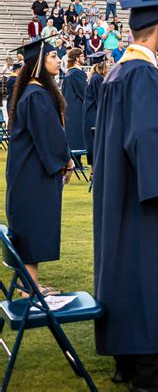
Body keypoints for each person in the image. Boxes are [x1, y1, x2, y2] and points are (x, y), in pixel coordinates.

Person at [93, 0, 158, 390]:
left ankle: (125, 362)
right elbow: (147, 135)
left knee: (123, 273)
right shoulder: (145, 74)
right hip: (144, 195)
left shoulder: (115, 72)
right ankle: (149, 373)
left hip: (118, 190)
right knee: (153, 275)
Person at [6, 38, 74, 293]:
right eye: (53, 56)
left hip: (28, 172)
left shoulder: (32, 92)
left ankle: (29, 283)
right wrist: (66, 160)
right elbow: (50, 135)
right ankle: (29, 287)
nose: (58, 60)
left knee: (31, 225)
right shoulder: (36, 95)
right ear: (39, 64)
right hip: (32, 175)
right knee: (33, 225)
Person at [82, 52, 108, 169]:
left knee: (94, 142)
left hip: (90, 113)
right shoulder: (97, 79)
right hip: (94, 115)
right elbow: (100, 100)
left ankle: (94, 170)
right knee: (95, 142)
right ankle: (95, 170)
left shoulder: (94, 77)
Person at [61, 47, 87, 153]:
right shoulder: (77, 73)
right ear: (76, 58)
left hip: (70, 108)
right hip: (77, 109)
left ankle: (77, 162)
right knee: (77, 136)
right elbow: (85, 92)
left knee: (73, 136)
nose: (84, 58)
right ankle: (78, 162)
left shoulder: (69, 73)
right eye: (81, 56)